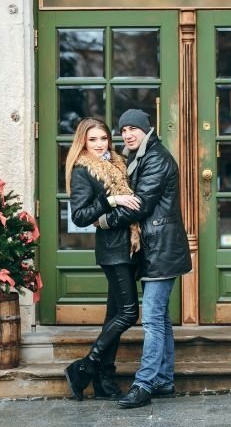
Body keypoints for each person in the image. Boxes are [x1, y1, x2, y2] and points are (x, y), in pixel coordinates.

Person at [98, 109, 192, 409]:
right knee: (160, 319)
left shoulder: (157, 159)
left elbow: (139, 204)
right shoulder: (139, 156)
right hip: (155, 249)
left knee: (151, 319)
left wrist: (103, 220)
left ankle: (144, 383)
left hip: (162, 249)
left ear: (146, 130)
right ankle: (163, 380)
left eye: (133, 129)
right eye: (123, 130)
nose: (127, 134)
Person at [64, 117, 142, 401]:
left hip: (129, 247)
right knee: (129, 313)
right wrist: (111, 201)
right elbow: (80, 216)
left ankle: (104, 379)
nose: (99, 145)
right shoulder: (83, 170)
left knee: (114, 315)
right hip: (113, 251)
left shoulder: (118, 165)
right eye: (93, 139)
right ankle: (84, 367)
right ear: (83, 142)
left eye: (104, 139)